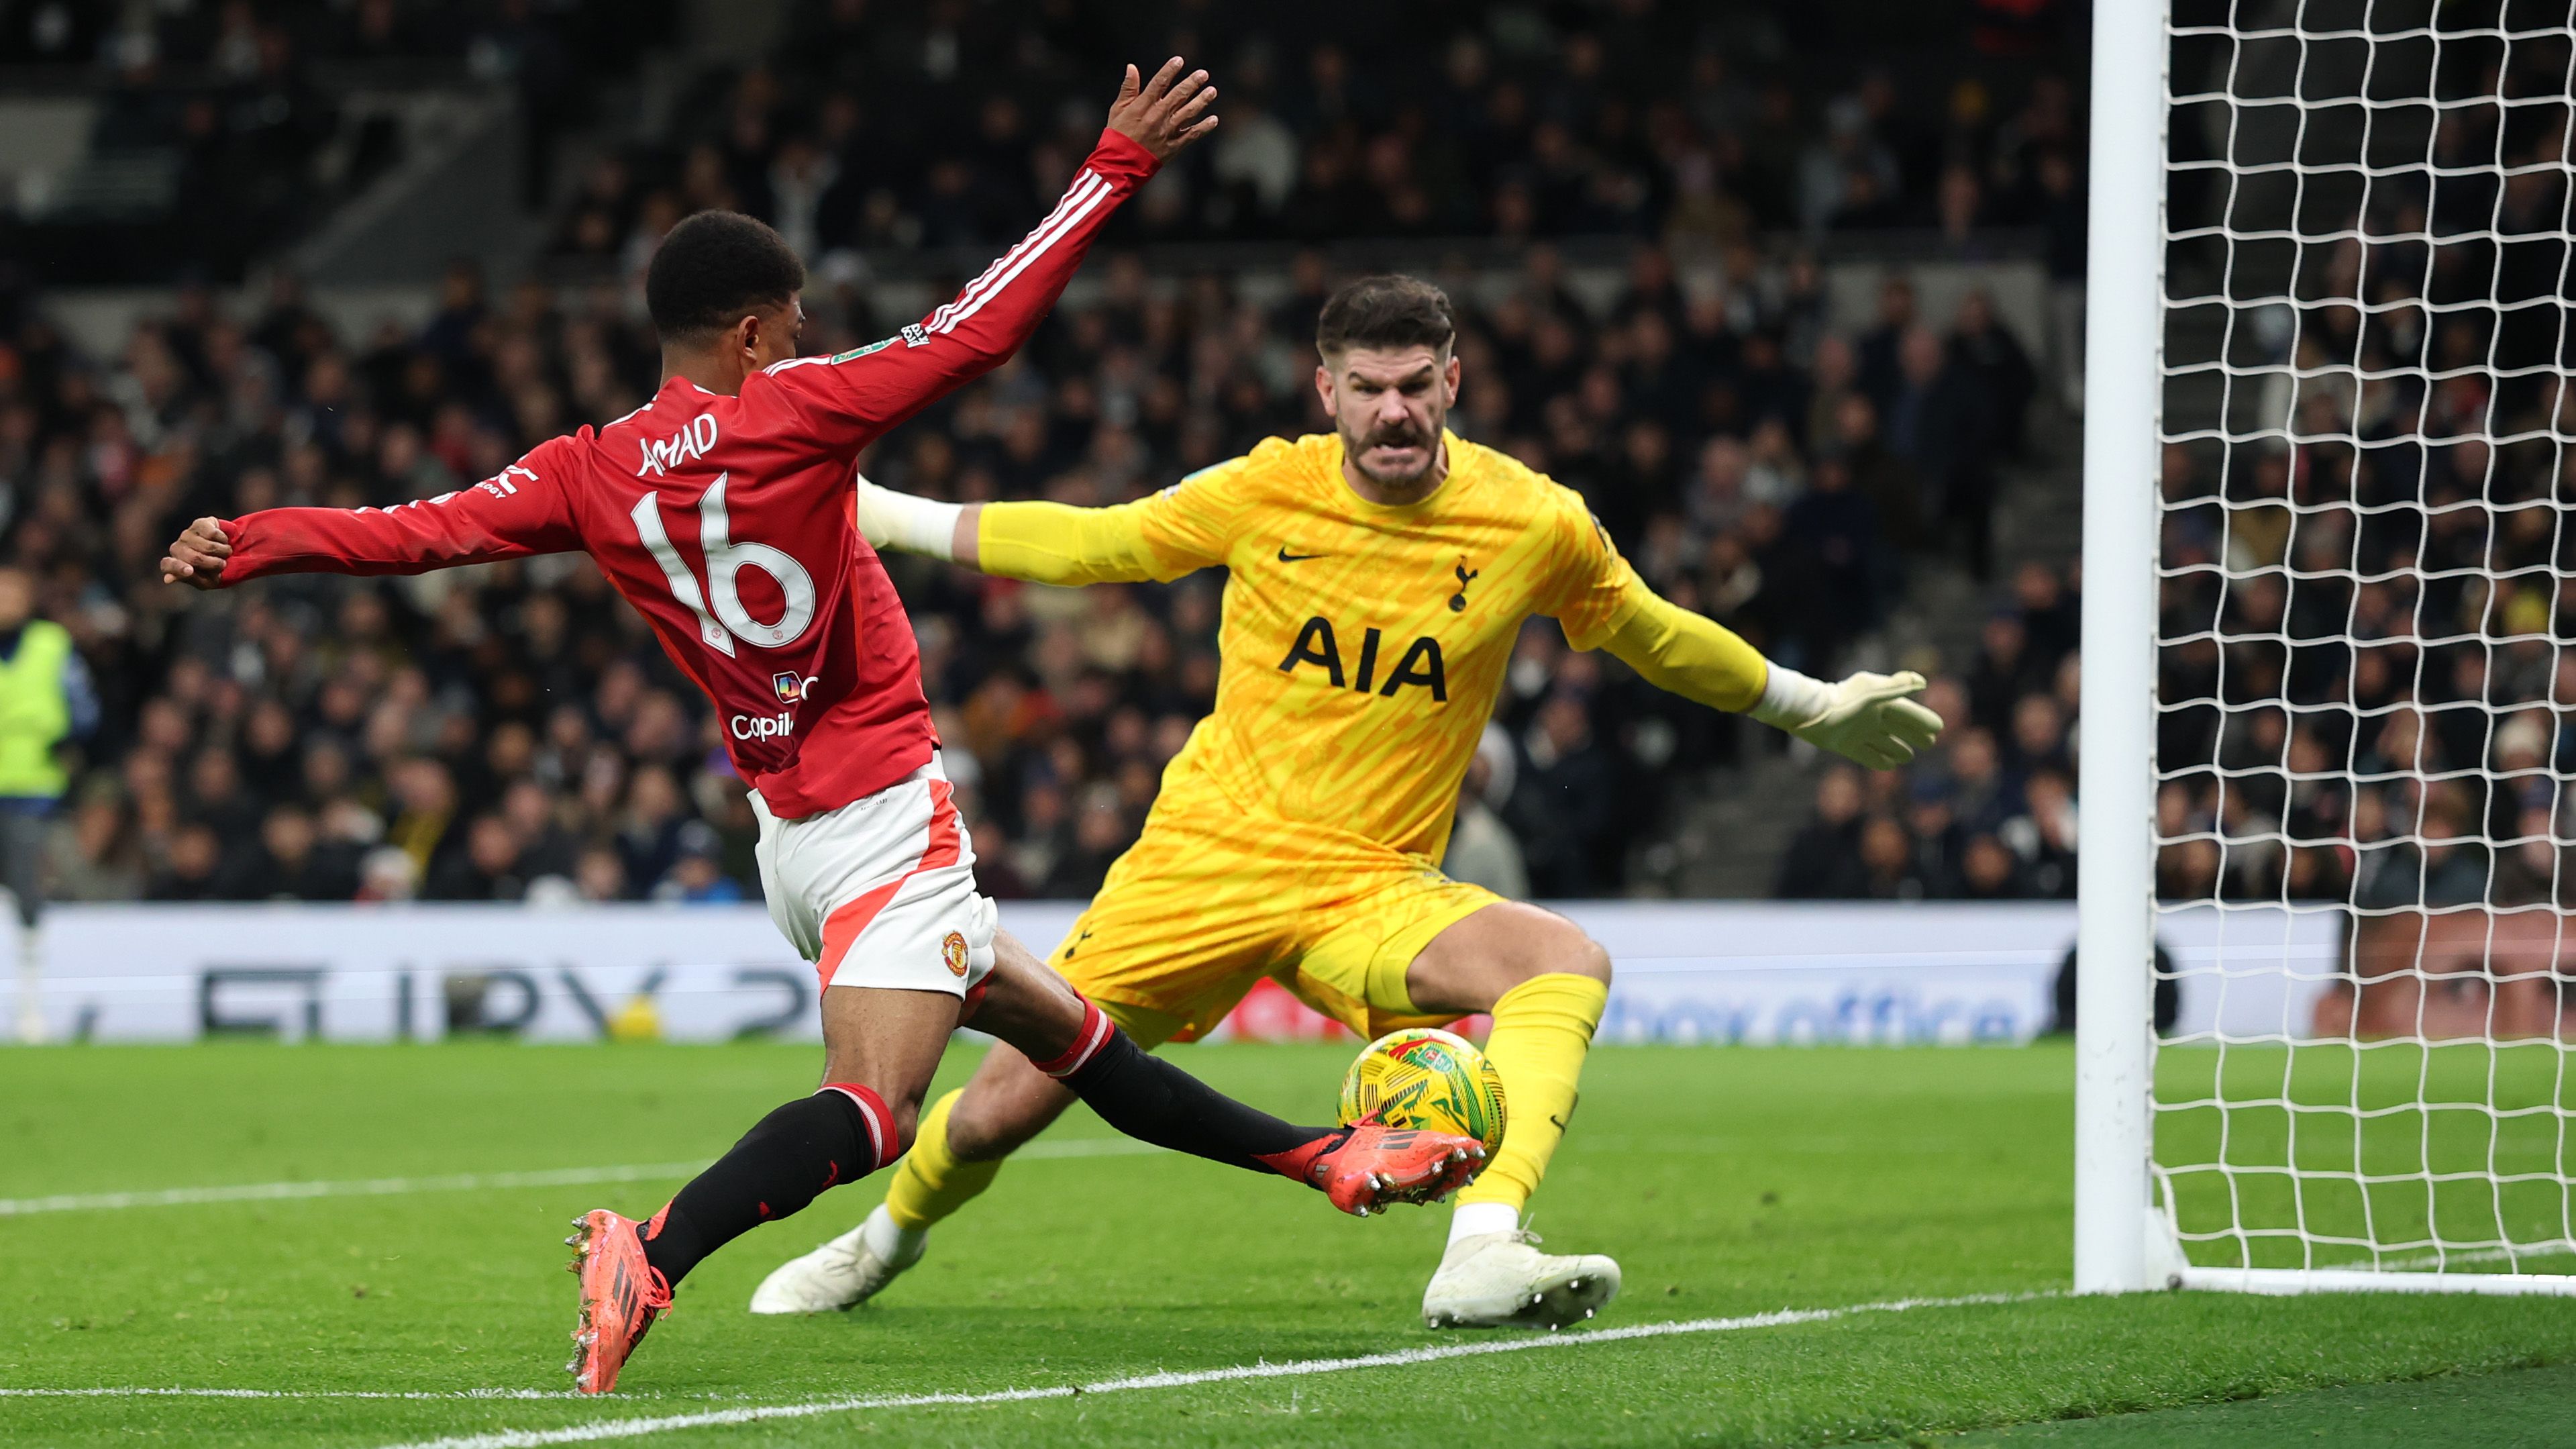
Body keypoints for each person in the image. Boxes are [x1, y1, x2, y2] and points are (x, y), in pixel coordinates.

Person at [156, 62, 1484, 1396]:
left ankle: (1323, 1157)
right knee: (873, 1110)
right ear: (748, 334)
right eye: (787, 328)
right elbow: (976, 327)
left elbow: (417, 533)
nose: (796, 346)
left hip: (789, 833)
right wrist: (1112, 166)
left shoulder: (586, 470)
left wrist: (251, 542)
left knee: (1071, 1036)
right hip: (881, 815)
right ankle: (653, 1247)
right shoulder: (797, 411)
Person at [779, 274, 1943, 1330]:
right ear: (1325, 388)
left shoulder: (1528, 520)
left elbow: (1648, 631)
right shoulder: (1263, 490)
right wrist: (877, 513)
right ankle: (883, 1238)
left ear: (1451, 381)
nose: (1394, 411)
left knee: (1562, 960)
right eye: (1369, 387)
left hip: (1370, 883)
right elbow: (1098, 544)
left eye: (1415, 385)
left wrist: (1805, 704)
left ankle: (1481, 1244)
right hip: (1200, 865)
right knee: (991, 1114)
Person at [0, 566, 99, 1043]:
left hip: (31, 793)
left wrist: (63, 742)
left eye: (12, 590)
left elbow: (83, 710)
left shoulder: (51, 645)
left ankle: (33, 1006)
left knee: (30, 901)